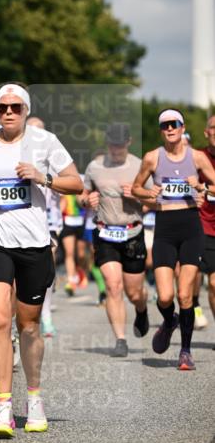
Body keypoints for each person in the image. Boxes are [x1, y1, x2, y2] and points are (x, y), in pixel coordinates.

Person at [0, 83, 82, 438]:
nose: (8, 112)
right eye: (2, 107)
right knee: (0, 319)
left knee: (28, 326)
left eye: (15, 107)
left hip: (33, 245)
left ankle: (33, 398)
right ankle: (4, 408)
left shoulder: (45, 142)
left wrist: (43, 177)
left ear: (26, 110)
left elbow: (76, 183)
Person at [132, 109, 215, 371]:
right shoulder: (152, 157)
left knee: (185, 294)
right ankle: (170, 321)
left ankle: (185, 351)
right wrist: (148, 193)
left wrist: (203, 187)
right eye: (165, 125)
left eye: (174, 124)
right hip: (165, 230)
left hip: (191, 228)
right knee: (166, 296)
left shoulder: (197, 157)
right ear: (161, 130)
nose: (169, 129)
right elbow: (135, 188)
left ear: (182, 127)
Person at [82, 123, 149, 357]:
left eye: (120, 145)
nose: (116, 149)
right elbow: (83, 194)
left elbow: (154, 200)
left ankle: (141, 309)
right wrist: (86, 201)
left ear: (129, 142)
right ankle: (120, 339)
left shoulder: (139, 166)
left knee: (134, 292)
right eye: (112, 144)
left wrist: (138, 196)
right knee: (113, 285)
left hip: (132, 233)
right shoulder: (95, 166)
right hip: (105, 232)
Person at [27, 116, 61, 338]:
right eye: (31, 129)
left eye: (39, 130)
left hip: (49, 223)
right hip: (22, 223)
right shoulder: (14, 155)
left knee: (45, 271)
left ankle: (46, 316)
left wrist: (46, 179)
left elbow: (73, 184)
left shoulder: (54, 157)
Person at [197, 113, 215, 332]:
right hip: (206, 226)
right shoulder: (197, 158)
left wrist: (206, 188)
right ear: (206, 132)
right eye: (214, 127)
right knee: (213, 283)